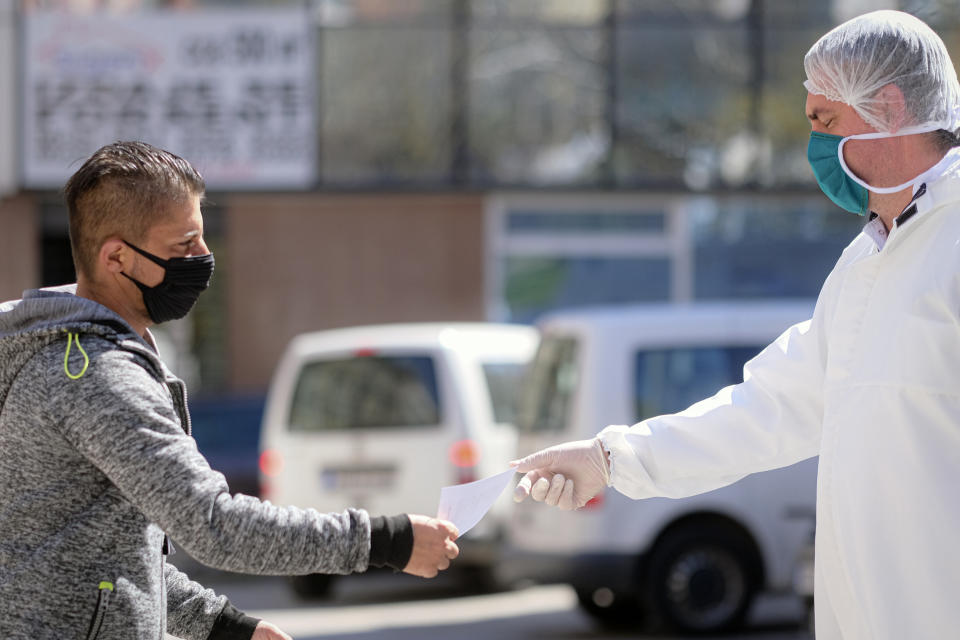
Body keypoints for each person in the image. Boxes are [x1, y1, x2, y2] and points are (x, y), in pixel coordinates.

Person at [512, 10, 960, 640]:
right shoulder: (864, 264)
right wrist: (607, 458)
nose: (816, 148)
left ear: (888, 108)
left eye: (825, 122)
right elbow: (765, 411)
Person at [0, 141, 460, 639]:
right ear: (116, 257)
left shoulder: (73, 356)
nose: (203, 257)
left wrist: (225, 627)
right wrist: (386, 541)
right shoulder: (97, 376)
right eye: (184, 245)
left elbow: (104, 558)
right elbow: (214, 525)